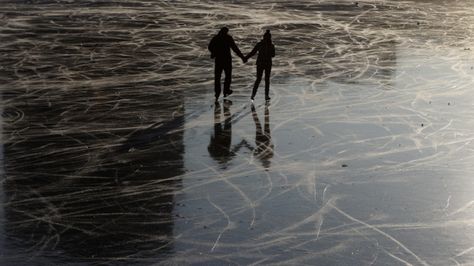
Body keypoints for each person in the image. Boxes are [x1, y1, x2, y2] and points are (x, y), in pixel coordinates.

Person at [208, 27, 247, 101]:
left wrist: (214, 52)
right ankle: (226, 90)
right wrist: (242, 57)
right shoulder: (228, 38)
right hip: (227, 60)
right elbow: (235, 48)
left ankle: (217, 93)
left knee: (217, 77)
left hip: (219, 60)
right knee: (228, 76)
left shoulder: (216, 38)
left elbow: (210, 46)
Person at [245, 30, 275, 102]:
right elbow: (273, 55)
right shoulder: (271, 45)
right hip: (267, 63)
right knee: (266, 80)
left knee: (258, 79)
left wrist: (246, 58)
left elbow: (253, 52)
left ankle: (253, 95)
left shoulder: (260, 44)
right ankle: (266, 95)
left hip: (260, 63)